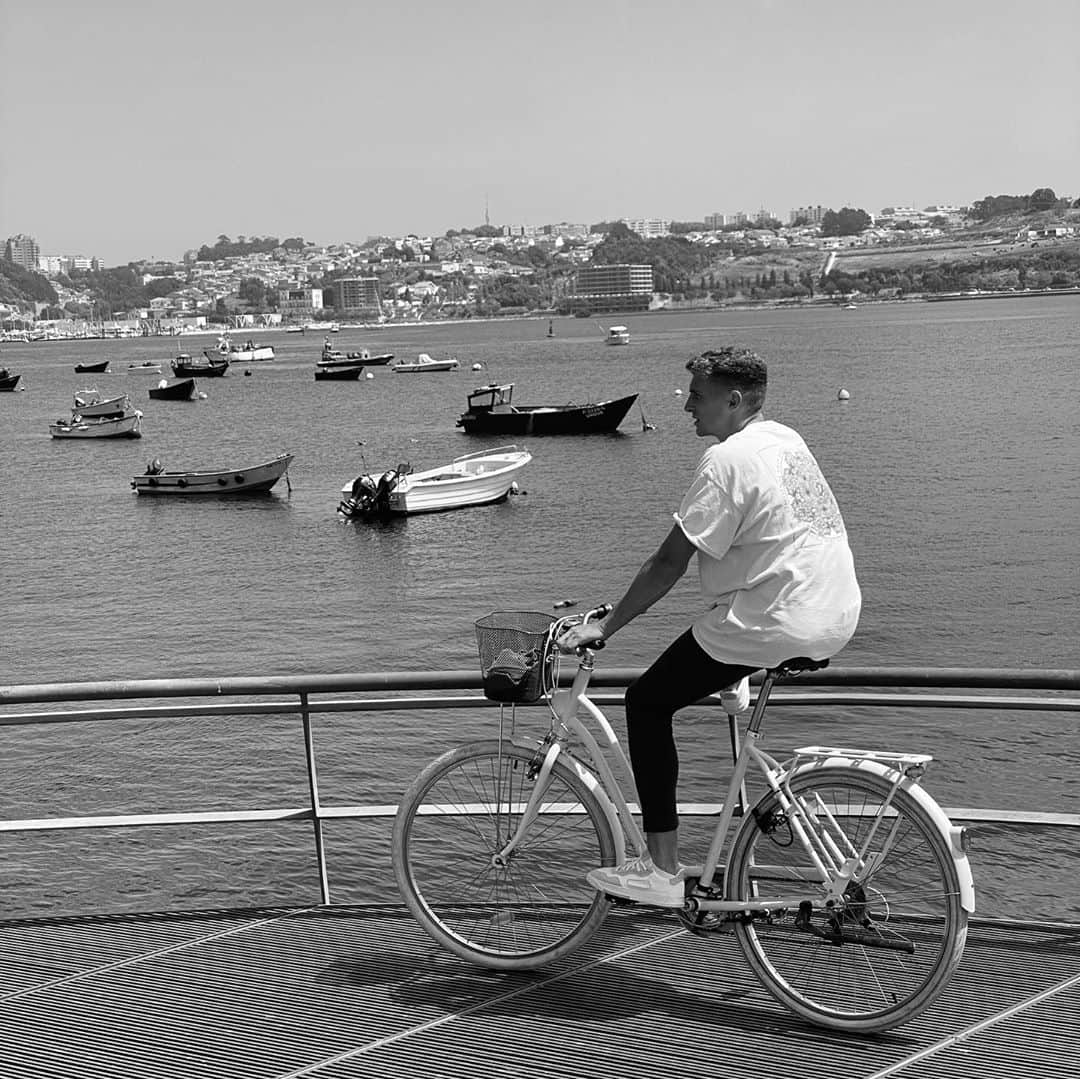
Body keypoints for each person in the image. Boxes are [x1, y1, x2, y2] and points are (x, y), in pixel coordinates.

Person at [556, 346, 861, 907]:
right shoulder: (786, 440)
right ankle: (737, 677)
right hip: (834, 609)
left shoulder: (726, 461)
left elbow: (668, 563)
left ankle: (662, 870)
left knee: (646, 701)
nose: (688, 407)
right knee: (712, 656)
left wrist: (607, 626)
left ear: (734, 400)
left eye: (697, 396)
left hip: (775, 617)